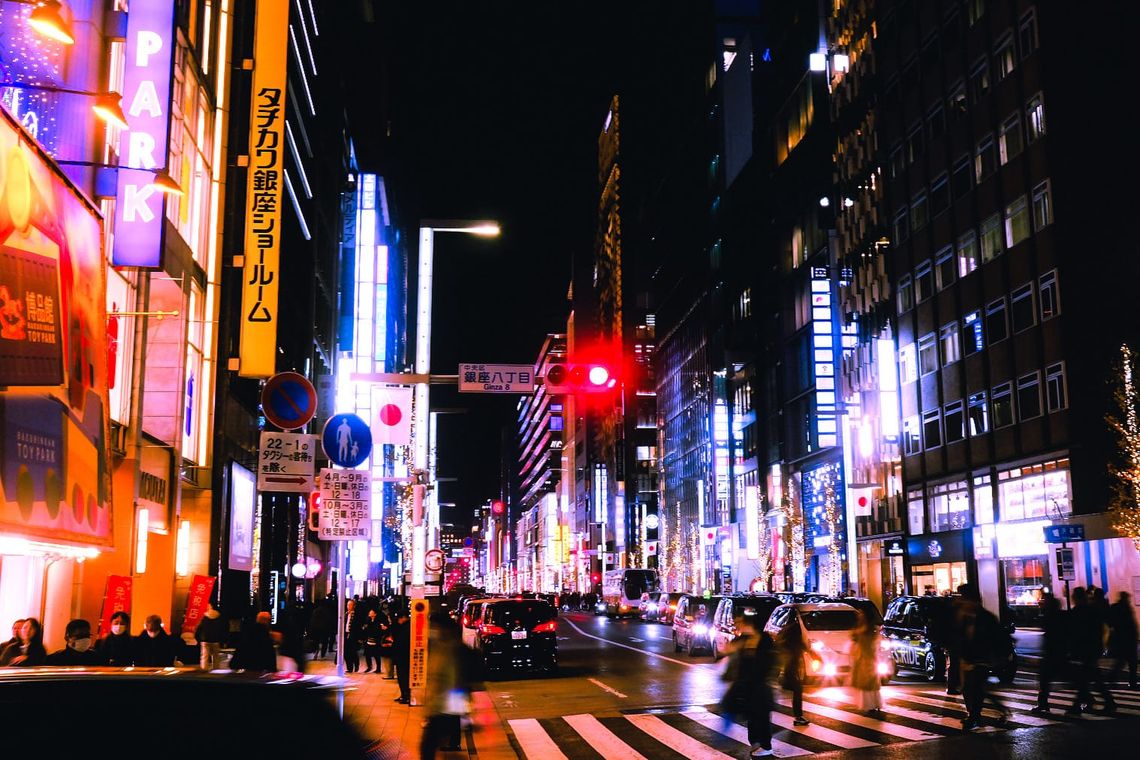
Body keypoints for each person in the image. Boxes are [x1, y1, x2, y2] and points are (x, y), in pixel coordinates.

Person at [721, 612, 776, 757]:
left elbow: (769, 661)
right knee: (752, 716)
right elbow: (727, 654)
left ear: (747, 623)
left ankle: (766, 746)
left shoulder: (763, 639)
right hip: (748, 686)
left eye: (738, 622)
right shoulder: (741, 639)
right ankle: (757, 744)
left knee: (762, 717)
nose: (736, 625)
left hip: (760, 686)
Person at [420, 613, 474, 758]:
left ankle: (454, 743)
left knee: (428, 748)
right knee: (430, 748)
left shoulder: (452, 649)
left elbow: (456, 681)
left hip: (443, 708)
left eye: (434, 627)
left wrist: (460, 711)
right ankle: (453, 742)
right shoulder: (439, 646)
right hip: (439, 708)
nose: (432, 630)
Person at [956, 583, 1009, 730]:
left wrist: (998, 656)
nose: (962, 602)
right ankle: (997, 710)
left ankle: (974, 717)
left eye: (964, 599)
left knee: (975, 686)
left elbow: (998, 638)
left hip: (982, 659)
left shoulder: (986, 618)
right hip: (967, 659)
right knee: (970, 689)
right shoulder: (963, 616)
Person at [1066, 586, 1116, 715]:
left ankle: (1083, 704)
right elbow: (1098, 631)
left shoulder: (1078, 612)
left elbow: (1073, 633)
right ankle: (1101, 702)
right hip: (1091, 649)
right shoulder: (1091, 611)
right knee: (1091, 677)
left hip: (1084, 650)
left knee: (1084, 679)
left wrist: (1072, 649)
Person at [1031, 593, 1067, 714]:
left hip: (1053, 652)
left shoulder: (1050, 617)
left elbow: (1049, 634)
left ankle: (1043, 703)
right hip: (1058, 652)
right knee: (1047, 679)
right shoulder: (1059, 616)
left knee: (1045, 679)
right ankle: (1043, 703)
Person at [777, 611, 812, 726]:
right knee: (797, 689)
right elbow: (800, 644)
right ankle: (798, 716)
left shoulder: (785, 628)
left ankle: (798, 716)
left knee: (796, 688)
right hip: (791, 663)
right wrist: (812, 653)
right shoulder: (795, 628)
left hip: (788, 663)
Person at [851, 611, 883, 717]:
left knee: (867, 683)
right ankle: (874, 704)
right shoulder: (872, 629)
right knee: (871, 683)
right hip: (869, 658)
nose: (859, 616)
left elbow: (854, 637)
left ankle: (870, 705)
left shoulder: (863, 630)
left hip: (865, 658)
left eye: (861, 614)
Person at [1107, 591, 1138, 689]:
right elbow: (1131, 624)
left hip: (1121, 638)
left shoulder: (1116, 607)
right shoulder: (1126, 608)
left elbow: (1111, 622)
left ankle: (1112, 678)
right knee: (1131, 662)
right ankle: (1132, 682)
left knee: (1121, 661)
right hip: (1128, 638)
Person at [194, 601, 227, 670]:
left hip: (205, 639)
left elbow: (199, 628)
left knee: (204, 655)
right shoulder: (219, 616)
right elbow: (222, 628)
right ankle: (216, 668)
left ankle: (204, 668)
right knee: (215, 655)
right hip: (216, 639)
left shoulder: (204, 617)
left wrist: (198, 636)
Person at [391, 603, 412, 704]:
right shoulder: (403, 626)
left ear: (403, 618)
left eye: (399, 619)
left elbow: (402, 642)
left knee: (404, 677)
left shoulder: (407, 627)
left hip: (403, 657)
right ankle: (403, 695)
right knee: (401, 677)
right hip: (401, 656)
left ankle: (406, 695)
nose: (398, 621)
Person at [361, 608, 383, 673]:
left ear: (375, 614)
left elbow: (377, 630)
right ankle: (369, 667)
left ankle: (378, 668)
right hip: (368, 639)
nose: (370, 613)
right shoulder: (368, 620)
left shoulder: (378, 621)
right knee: (367, 654)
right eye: (369, 612)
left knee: (376, 655)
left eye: (371, 612)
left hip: (376, 639)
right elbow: (365, 628)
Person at [344, 599, 361, 673]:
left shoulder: (356, 615)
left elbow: (358, 626)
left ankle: (356, 665)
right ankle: (349, 667)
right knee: (346, 652)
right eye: (348, 605)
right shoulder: (346, 614)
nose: (348, 606)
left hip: (353, 635)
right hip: (346, 634)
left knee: (353, 651)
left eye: (350, 605)